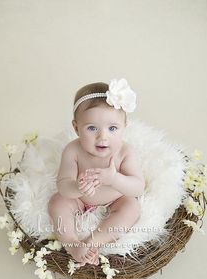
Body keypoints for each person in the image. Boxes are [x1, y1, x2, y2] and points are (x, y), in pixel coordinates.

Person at [48, 78, 145, 267]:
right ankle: (72, 244)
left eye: (112, 128)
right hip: (80, 199)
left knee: (131, 207)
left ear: (125, 127)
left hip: (115, 199)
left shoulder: (125, 152)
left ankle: (93, 242)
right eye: (92, 128)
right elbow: (63, 183)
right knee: (57, 202)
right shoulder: (73, 150)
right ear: (76, 128)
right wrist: (77, 188)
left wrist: (115, 179)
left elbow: (138, 187)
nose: (103, 137)